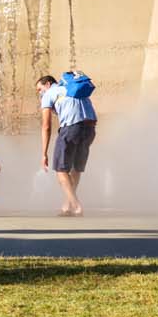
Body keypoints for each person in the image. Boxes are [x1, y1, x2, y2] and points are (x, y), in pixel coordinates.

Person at [38, 71, 97, 216]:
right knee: (76, 168)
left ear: (48, 84)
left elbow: (46, 126)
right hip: (90, 128)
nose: (39, 93)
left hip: (71, 128)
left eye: (39, 89)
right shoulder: (70, 90)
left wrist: (44, 153)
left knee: (61, 170)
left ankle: (76, 206)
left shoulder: (50, 93)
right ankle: (67, 205)